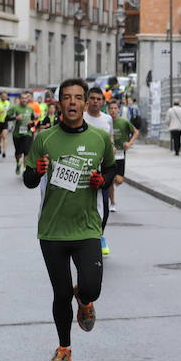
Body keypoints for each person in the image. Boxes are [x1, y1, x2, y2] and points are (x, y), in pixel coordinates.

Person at [23, 78, 116, 361]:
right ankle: (64, 348)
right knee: (61, 294)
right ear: (59, 103)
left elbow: (112, 168)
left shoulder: (99, 138)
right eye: (67, 98)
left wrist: (104, 181)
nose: (73, 103)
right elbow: (28, 180)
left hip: (87, 227)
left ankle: (85, 300)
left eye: (78, 97)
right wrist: (37, 172)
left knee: (92, 287)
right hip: (52, 229)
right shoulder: (44, 139)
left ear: (86, 102)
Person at [83, 87, 114, 255]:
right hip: (82, 168)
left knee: (104, 206)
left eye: (98, 99)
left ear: (102, 101)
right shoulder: (81, 117)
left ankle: (100, 235)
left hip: (101, 170)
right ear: (88, 100)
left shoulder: (107, 119)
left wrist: (112, 149)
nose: (95, 101)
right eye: (92, 98)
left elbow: (110, 140)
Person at [107, 99, 139, 212]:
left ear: (119, 110)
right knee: (110, 180)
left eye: (115, 108)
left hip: (120, 154)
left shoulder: (124, 122)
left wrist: (129, 143)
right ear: (108, 110)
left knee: (119, 180)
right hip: (108, 155)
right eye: (111, 108)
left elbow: (136, 132)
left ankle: (111, 186)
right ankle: (112, 202)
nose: (113, 110)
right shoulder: (106, 121)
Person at [9, 91, 38, 176]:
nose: (24, 100)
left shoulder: (30, 108)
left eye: (26, 98)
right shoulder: (14, 108)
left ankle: (25, 169)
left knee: (26, 151)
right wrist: (15, 118)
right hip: (17, 134)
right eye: (23, 98)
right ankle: (18, 164)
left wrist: (31, 123)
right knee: (18, 152)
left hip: (27, 133)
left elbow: (33, 120)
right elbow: (6, 118)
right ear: (19, 99)